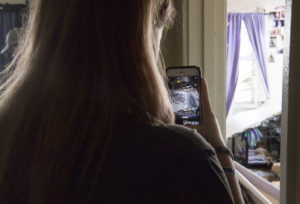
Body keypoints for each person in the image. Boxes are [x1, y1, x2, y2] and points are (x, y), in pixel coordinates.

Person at [0, 0, 244, 203]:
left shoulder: (10, 139)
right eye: (160, 21)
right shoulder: (178, 157)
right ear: (142, 33)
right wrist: (217, 147)